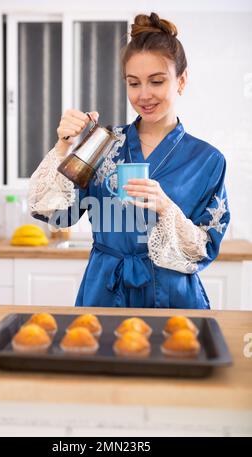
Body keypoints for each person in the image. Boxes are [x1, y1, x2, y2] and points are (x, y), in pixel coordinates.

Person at [28, 12, 230, 309]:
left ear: (181, 80)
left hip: (173, 297)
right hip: (106, 291)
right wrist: (65, 146)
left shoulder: (208, 160)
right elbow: (58, 215)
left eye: (157, 81)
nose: (144, 94)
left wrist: (166, 207)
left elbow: (204, 248)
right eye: (134, 83)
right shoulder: (102, 143)